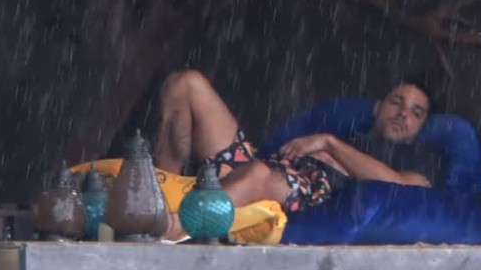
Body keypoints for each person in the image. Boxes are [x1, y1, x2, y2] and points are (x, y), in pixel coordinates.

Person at [153, 69, 443, 238]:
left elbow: (401, 188)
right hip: (263, 165)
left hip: (303, 191)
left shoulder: (420, 158)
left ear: (422, 127)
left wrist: (329, 144)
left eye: (416, 112)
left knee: (258, 174)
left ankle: (172, 227)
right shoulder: (355, 136)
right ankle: (160, 195)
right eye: (396, 102)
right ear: (377, 108)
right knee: (186, 84)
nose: (403, 113)